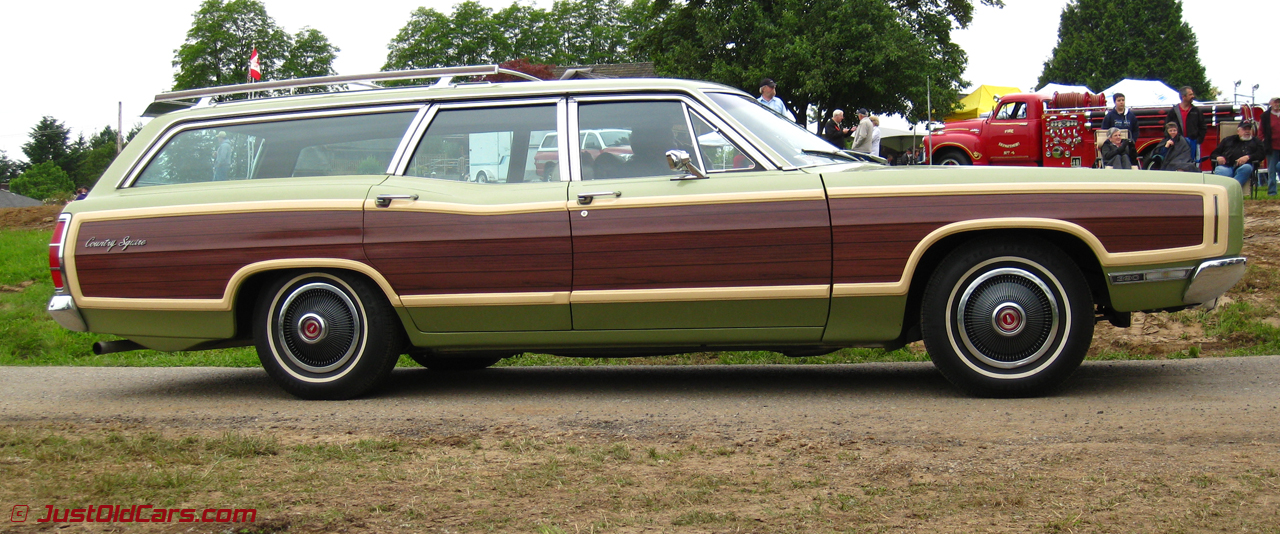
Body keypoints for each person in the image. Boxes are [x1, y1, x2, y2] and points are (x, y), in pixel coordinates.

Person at [1210, 121, 1266, 187]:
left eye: (1249, 129)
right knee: (1220, 170)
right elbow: (1213, 154)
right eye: (1244, 129)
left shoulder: (1256, 141)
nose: (1247, 131)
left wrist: (1248, 157)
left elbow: (1261, 154)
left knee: (1247, 168)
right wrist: (1218, 157)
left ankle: (1231, 188)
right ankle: (1228, 190)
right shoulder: (1228, 140)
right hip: (1226, 166)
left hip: (1243, 166)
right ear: (1238, 131)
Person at [1165, 86, 1206, 159]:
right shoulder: (1173, 111)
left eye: (1192, 94)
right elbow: (1167, 127)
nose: (1193, 96)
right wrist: (1171, 139)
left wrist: (1198, 140)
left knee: (1193, 163)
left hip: (1193, 143)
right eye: (1190, 94)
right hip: (1178, 143)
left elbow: (1202, 126)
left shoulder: (1196, 111)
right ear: (1183, 97)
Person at [1261, 97, 1280, 196]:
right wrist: (1264, 141)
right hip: (1271, 147)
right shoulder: (1265, 116)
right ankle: (1272, 192)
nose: (1277, 104)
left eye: (1278, 102)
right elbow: (1261, 131)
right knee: (1271, 170)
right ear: (1271, 104)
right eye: (1275, 102)